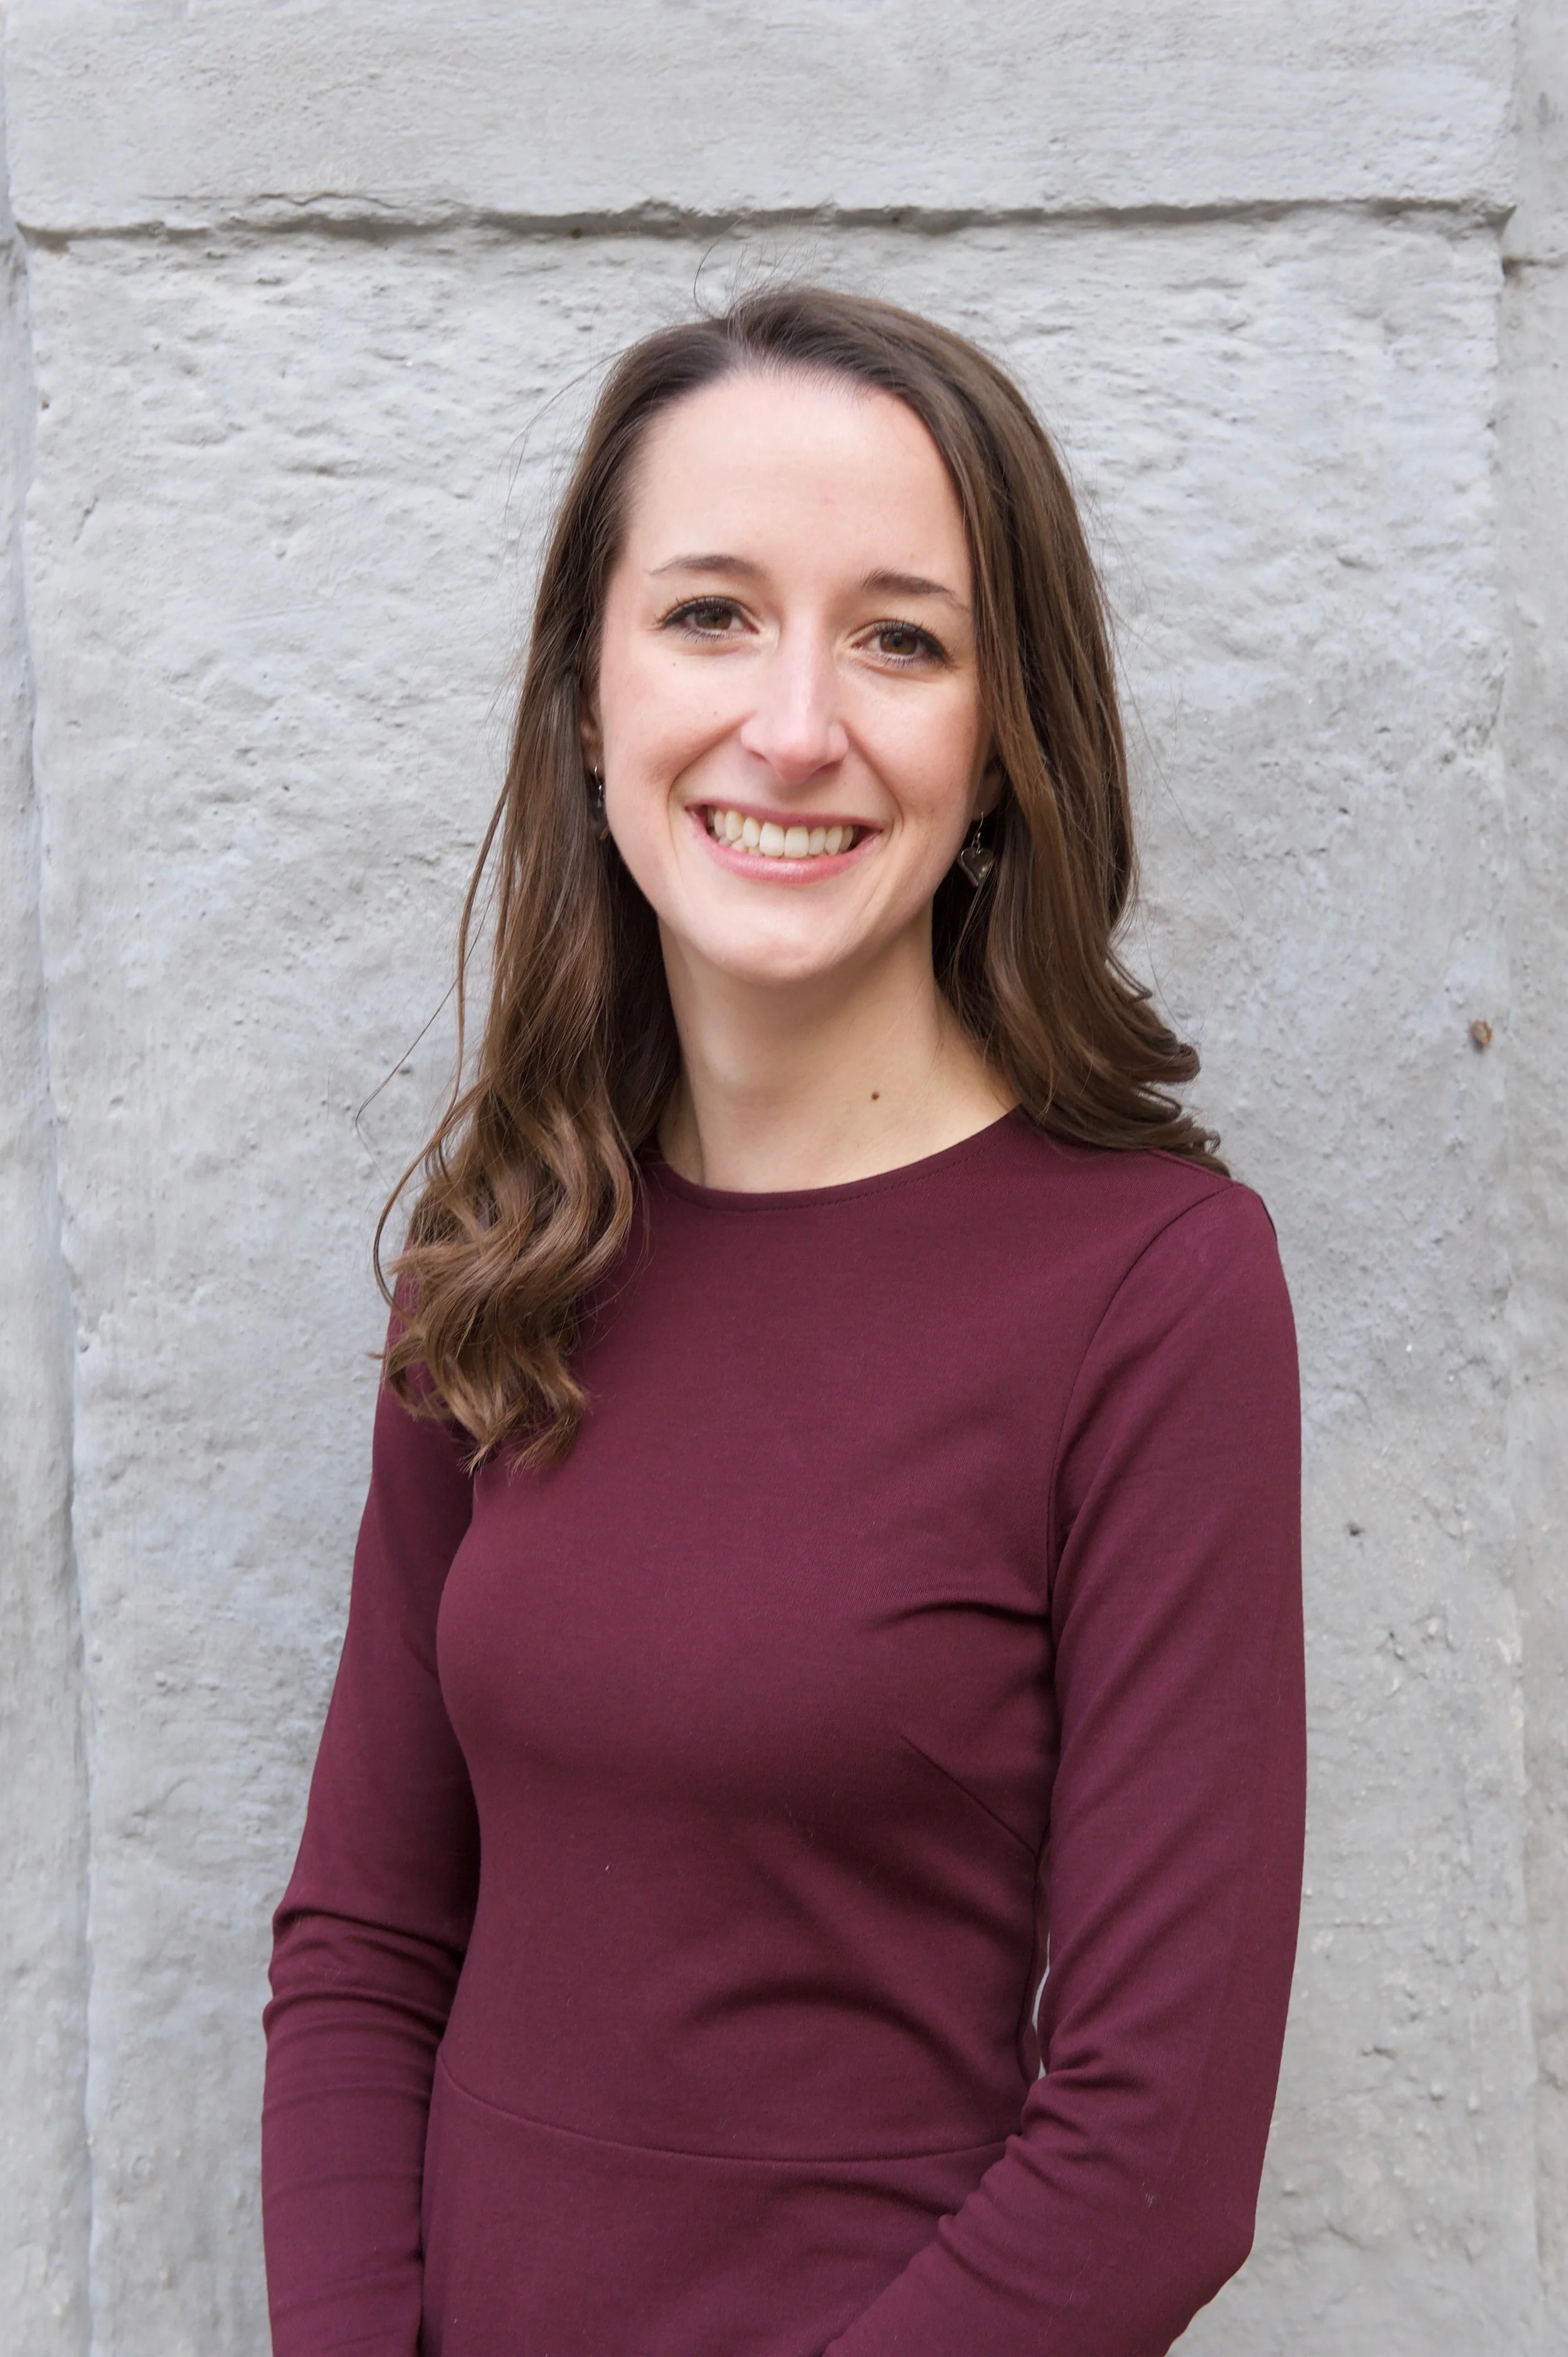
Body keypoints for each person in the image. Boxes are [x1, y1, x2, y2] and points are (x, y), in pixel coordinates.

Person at [261, 285, 1305, 2357]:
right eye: (712, 613)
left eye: (900, 636)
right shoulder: (504, 1242)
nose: (795, 724)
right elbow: (367, 1945)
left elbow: (1153, 2151)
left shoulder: (1148, 1293)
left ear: (1001, 742)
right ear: (585, 688)